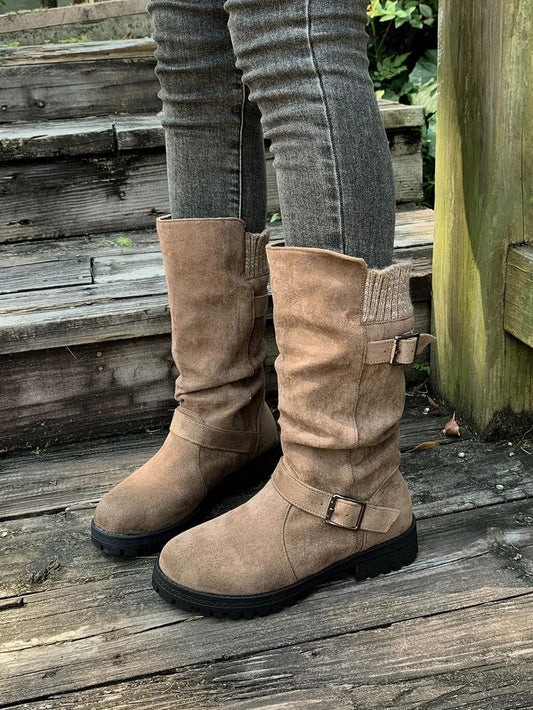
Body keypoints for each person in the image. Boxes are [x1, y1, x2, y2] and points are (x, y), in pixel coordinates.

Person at [91, 0, 434, 617]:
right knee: (192, 51)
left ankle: (342, 483)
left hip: (348, 494)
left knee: (294, 34)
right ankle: (220, 413)